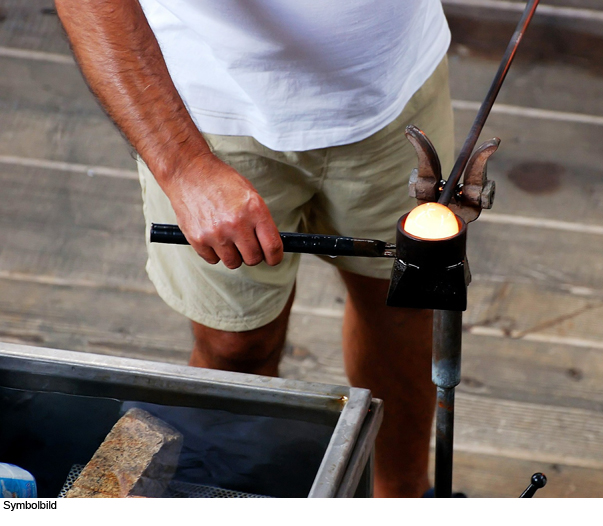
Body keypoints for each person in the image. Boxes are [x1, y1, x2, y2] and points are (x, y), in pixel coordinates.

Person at [55, 0, 454, 498]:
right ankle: (245, 495)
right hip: (206, 109)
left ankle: (401, 496)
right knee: (235, 345)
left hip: (393, 84)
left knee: (402, 311)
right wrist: (183, 166)